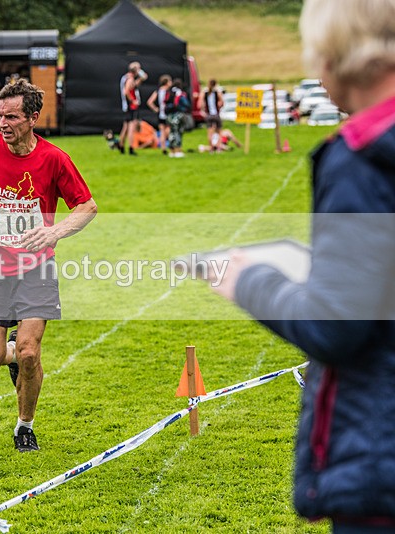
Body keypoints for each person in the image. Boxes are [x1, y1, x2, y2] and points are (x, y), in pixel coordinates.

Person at [211, 0, 395, 530]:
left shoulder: (360, 157)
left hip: (378, 460)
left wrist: (249, 279)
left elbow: (336, 324)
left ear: (335, 56)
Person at [0, 79, 97, 452]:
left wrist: (56, 233)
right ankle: (13, 353)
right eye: (0, 116)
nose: (3, 124)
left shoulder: (54, 158)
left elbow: (86, 207)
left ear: (33, 118)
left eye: (12, 117)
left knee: (30, 352)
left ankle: (24, 427)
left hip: (36, 268)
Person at [118, 62, 147, 156]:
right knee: (131, 127)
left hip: (126, 106)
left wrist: (140, 78)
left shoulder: (125, 77)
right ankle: (131, 148)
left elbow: (134, 85)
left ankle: (121, 146)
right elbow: (126, 91)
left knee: (125, 127)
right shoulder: (130, 79)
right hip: (131, 107)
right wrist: (132, 101)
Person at [147, 74, 172, 155]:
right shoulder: (169, 92)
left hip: (160, 114)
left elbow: (150, 102)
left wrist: (156, 109)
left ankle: (163, 148)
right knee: (168, 130)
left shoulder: (157, 91)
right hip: (167, 113)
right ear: (167, 82)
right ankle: (170, 146)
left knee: (162, 131)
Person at [165, 78, 190, 158]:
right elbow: (186, 104)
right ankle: (178, 150)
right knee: (178, 132)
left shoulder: (169, 92)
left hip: (169, 115)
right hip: (178, 115)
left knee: (172, 133)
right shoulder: (179, 93)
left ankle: (172, 151)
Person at [198, 79, 223, 152]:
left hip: (208, 115)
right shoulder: (217, 92)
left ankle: (211, 149)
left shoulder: (204, 92)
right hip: (216, 114)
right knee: (219, 132)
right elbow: (222, 102)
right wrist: (219, 108)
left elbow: (200, 104)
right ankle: (218, 148)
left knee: (210, 133)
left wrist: (203, 112)